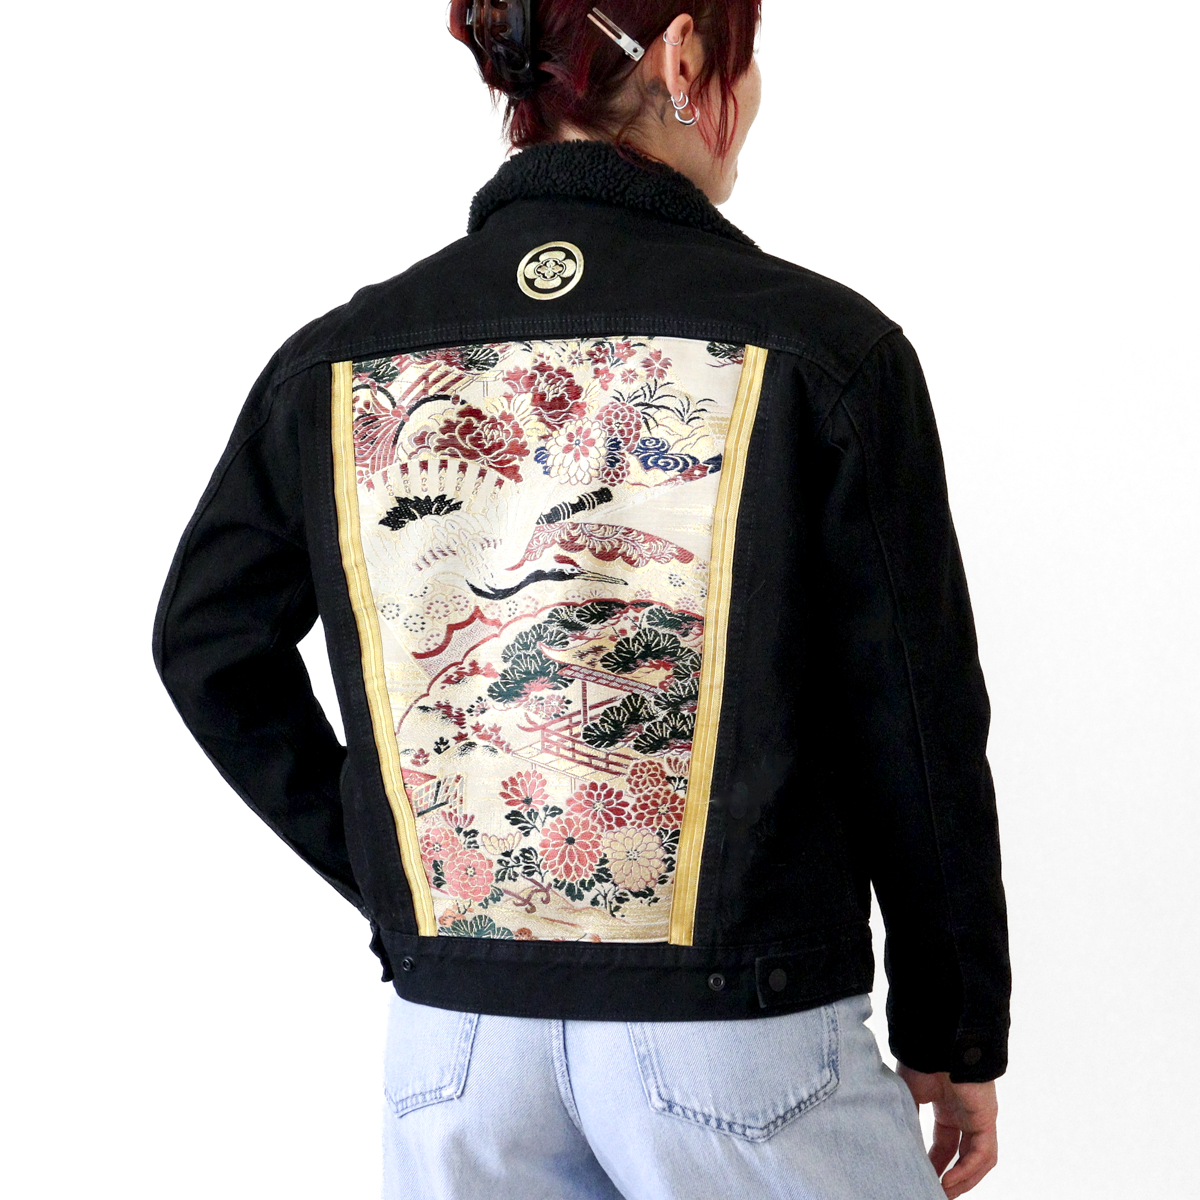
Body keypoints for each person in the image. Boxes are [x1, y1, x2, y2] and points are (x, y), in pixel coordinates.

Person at [154, 2, 1010, 1197]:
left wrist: (406, 877)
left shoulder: (341, 358)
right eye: (746, 56)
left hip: (455, 1046)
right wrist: (954, 1025)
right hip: (737, 1029)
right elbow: (915, 717)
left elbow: (207, 642)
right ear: (684, 57)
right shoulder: (820, 348)